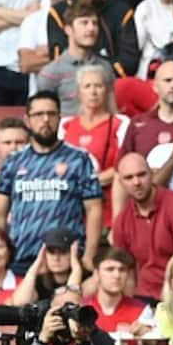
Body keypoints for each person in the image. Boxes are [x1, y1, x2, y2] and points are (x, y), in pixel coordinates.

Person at [0, 92, 103, 275]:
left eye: (51, 114)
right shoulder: (13, 162)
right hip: (21, 258)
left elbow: (94, 209)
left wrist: (89, 254)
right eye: (38, 114)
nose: (45, 120)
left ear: (60, 117)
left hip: (65, 259)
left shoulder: (79, 159)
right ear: (27, 120)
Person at [113, 153, 173, 303]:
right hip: (143, 297)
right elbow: (126, 273)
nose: (136, 182)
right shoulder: (122, 220)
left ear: (152, 173)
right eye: (129, 178)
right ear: (121, 182)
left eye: (141, 175)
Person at [47, 0, 140, 77]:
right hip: (71, 82)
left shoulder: (121, 11)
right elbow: (58, 61)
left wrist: (95, 74)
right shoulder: (58, 12)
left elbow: (129, 63)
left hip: (112, 83)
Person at [58, 65, 129, 228]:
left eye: (98, 86)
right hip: (71, 211)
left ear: (107, 90)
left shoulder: (120, 123)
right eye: (87, 86)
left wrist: (88, 183)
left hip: (108, 209)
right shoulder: (65, 125)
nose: (93, 92)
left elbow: (123, 165)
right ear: (78, 92)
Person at [37, 4, 117, 116]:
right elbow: (44, 114)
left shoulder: (105, 67)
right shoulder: (50, 73)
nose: (91, 28)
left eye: (94, 23)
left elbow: (112, 110)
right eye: (84, 23)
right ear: (68, 30)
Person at [18, 0, 75, 95]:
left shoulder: (86, 18)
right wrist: (73, 54)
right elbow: (26, 64)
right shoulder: (33, 20)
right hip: (42, 97)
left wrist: (48, 52)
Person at [83, 247, 154, 335]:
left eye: (122, 270)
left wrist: (147, 336)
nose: (117, 275)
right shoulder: (83, 309)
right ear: (97, 274)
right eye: (110, 269)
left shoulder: (143, 310)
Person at [8, 227, 84, 306]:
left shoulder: (85, 279)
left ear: (73, 253)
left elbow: (69, 304)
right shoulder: (39, 281)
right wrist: (34, 269)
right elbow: (19, 303)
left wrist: (76, 270)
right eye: (51, 252)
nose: (56, 258)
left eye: (62, 252)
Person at [30, 289, 116, 345]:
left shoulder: (98, 336)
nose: (70, 316)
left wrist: (84, 342)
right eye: (64, 309)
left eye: (75, 308)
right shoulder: (34, 332)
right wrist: (42, 340)